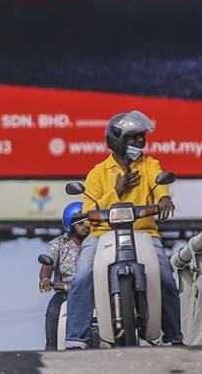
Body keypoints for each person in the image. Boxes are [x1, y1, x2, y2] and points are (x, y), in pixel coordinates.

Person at [65, 110, 183, 348]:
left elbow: (159, 182)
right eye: (133, 137)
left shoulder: (149, 164)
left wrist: (164, 199)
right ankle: (76, 337)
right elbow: (89, 210)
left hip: (145, 232)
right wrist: (116, 191)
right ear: (117, 140)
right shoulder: (98, 172)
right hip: (101, 235)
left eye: (141, 137)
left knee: (166, 279)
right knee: (82, 277)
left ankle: (173, 336)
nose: (139, 141)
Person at [39, 201, 90, 351]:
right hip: (65, 293)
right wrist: (45, 279)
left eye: (88, 221)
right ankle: (52, 350)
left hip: (92, 291)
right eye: (80, 223)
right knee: (54, 311)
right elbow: (47, 265)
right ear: (69, 224)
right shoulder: (57, 244)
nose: (86, 225)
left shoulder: (97, 242)